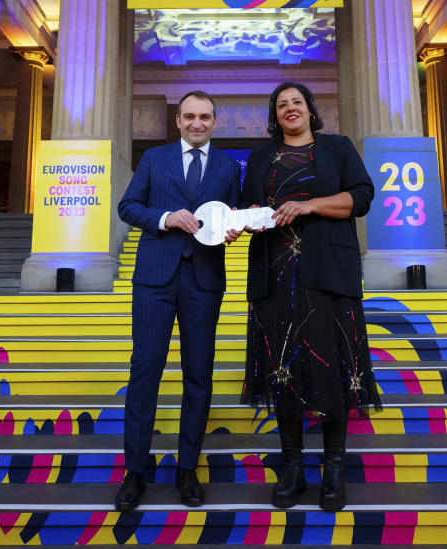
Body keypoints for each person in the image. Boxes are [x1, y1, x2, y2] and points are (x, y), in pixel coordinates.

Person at [240, 82, 376, 512]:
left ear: (310, 109)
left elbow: (361, 197)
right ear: (274, 115)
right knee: (282, 368)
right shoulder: (261, 157)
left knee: (333, 364)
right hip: (274, 275)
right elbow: (249, 210)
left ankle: (334, 467)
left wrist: (308, 205)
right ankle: (294, 468)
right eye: (281, 104)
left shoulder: (337, 147)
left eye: (296, 102)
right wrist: (235, 224)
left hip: (327, 273)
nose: (290, 108)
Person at [115, 90, 243, 511]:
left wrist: (235, 228)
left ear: (214, 121)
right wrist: (165, 218)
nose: (197, 123)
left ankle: (188, 468)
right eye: (189, 116)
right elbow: (128, 206)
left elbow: (234, 214)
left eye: (205, 116)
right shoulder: (154, 159)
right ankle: (136, 470)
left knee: (198, 377)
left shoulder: (228, 166)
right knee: (144, 373)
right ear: (178, 121)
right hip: (154, 279)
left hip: (204, 280)